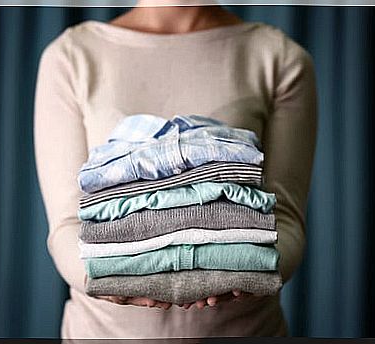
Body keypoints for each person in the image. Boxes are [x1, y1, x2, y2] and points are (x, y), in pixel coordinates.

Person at [34, 0, 317, 338]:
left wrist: (246, 274)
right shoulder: (72, 56)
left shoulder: (279, 58)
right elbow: (67, 222)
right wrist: (102, 279)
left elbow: (284, 218)